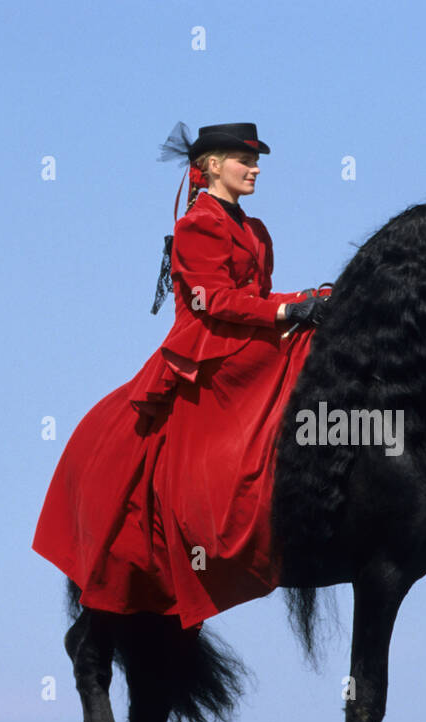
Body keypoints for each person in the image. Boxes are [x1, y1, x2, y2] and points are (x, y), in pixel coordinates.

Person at [31, 122, 331, 631]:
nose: (255, 168)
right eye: (244, 159)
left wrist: (307, 301)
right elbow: (212, 301)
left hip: (247, 332)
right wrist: (287, 314)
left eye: (257, 160)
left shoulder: (257, 230)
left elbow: (257, 299)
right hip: (208, 344)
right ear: (212, 165)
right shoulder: (198, 225)